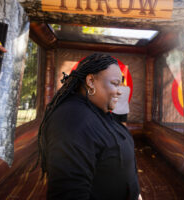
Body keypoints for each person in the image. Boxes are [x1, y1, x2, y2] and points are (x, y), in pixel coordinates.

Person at [37, 53, 142, 200]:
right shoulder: (72, 120)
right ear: (91, 81)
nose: (119, 91)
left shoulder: (96, 109)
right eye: (115, 83)